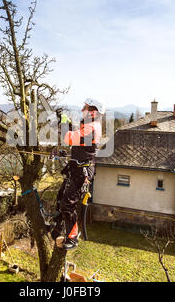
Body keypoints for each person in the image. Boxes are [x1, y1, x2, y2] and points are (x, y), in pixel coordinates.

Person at [51, 98, 105, 250]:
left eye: (85, 107)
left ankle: (72, 238)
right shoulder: (89, 126)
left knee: (68, 204)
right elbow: (76, 135)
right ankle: (57, 226)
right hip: (76, 168)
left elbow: (69, 138)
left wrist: (63, 124)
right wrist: (67, 124)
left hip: (82, 172)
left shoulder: (92, 127)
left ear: (93, 111)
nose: (82, 109)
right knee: (61, 196)